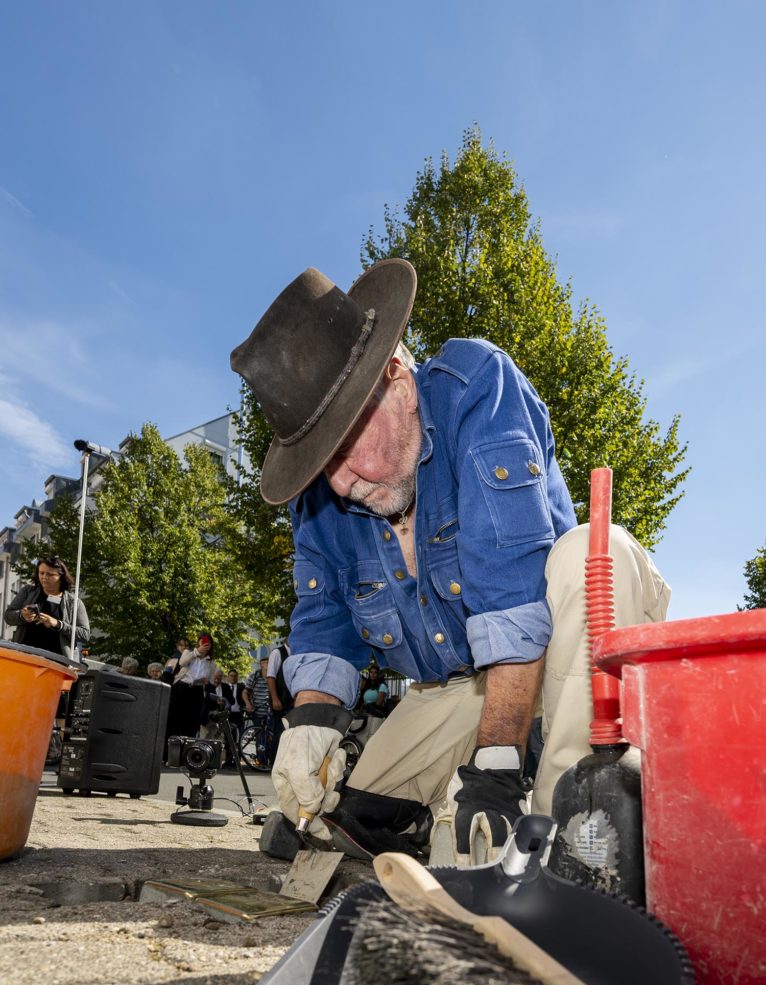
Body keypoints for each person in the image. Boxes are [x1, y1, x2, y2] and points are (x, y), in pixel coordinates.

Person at [230, 259, 669, 865]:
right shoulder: (321, 497)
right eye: (320, 462)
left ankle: (574, 829)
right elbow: (325, 619)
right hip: (460, 686)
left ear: (398, 380)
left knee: (596, 553)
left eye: (347, 445)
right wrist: (310, 726)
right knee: (347, 811)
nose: (343, 481)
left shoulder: (476, 387)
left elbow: (509, 592)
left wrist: (494, 767)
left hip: (567, 660)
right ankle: (451, 812)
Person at [5, 555, 90, 659]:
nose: (44, 577)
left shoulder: (74, 603)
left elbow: (85, 634)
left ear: (61, 577)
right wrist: (22, 616)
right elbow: (8, 616)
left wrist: (58, 624)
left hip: (57, 663)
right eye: (41, 573)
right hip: (25, 658)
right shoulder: (27, 591)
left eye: (50, 574)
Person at [164, 633, 216, 751]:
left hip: (197, 691)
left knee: (192, 723)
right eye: (202, 641)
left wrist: (205, 681)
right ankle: (169, 753)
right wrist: (197, 652)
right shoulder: (188, 652)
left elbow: (210, 680)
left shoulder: (211, 662)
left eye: (207, 642)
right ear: (198, 642)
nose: (204, 644)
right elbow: (182, 662)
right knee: (175, 720)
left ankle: (185, 753)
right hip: (182, 688)